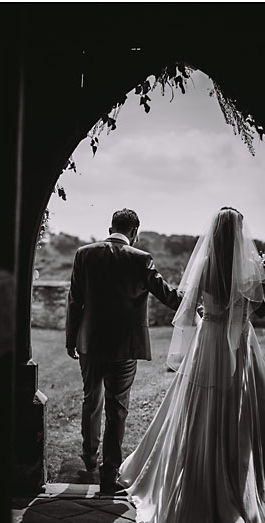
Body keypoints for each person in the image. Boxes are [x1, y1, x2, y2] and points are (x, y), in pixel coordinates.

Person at [118, 207, 265, 523]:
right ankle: (244, 485)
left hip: (209, 344)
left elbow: (188, 309)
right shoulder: (250, 270)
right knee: (244, 414)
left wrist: (212, 313)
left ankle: (198, 480)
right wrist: (264, 285)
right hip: (240, 350)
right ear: (240, 235)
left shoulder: (203, 267)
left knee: (200, 411)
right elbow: (261, 311)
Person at [66, 208, 184, 494]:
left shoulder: (84, 254)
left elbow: (74, 300)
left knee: (90, 400)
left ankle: (89, 458)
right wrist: (196, 303)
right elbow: (166, 294)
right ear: (135, 232)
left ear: (110, 229)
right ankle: (109, 476)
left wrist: (71, 339)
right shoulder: (141, 259)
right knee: (117, 409)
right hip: (124, 347)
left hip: (89, 344)